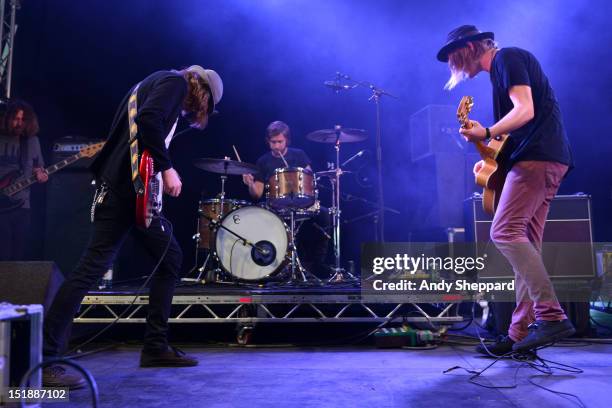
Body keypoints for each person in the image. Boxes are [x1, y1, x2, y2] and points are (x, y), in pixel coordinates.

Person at [42, 65, 223, 388]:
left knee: (168, 259)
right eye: (206, 106)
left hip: (130, 193)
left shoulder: (156, 81)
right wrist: (168, 170)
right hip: (125, 193)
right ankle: (45, 359)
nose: (197, 113)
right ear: (203, 93)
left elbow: (141, 132)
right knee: (90, 270)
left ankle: (155, 346)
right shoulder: (175, 83)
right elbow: (148, 120)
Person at [438, 25, 575, 355]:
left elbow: (525, 110)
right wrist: (487, 157)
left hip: (538, 160)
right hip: (544, 159)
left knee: (504, 232)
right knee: (525, 248)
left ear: (469, 48)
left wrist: (486, 130)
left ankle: (551, 315)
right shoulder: (501, 69)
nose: (453, 66)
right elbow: (521, 126)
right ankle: (519, 335)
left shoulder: (506, 58)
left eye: (454, 57)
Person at [242, 121, 330, 278]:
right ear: (268, 141)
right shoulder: (263, 161)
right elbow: (257, 194)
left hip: (301, 203)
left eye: (280, 142)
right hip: (276, 206)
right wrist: (250, 183)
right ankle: (275, 267)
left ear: (287, 140)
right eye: (273, 142)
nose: (276, 146)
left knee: (324, 214)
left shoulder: (299, 155)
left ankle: (316, 264)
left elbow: (309, 178)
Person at [0, 99, 48, 261]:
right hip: (1, 208)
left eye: (23, 120)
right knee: (3, 255)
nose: (19, 123)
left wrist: (41, 175)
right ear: (8, 118)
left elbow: (39, 168)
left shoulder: (32, 141)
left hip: (22, 206)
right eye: (16, 119)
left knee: (18, 257)